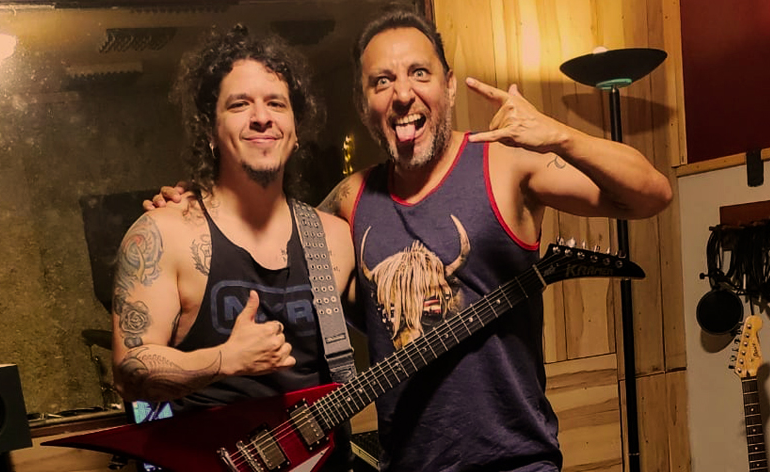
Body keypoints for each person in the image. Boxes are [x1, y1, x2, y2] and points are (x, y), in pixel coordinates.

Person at [149, 9, 673, 472]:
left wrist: (559, 135)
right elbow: (261, 232)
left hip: (517, 460)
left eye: (419, 73)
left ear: (448, 86)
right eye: (382, 81)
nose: (402, 94)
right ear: (364, 103)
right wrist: (194, 205)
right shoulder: (351, 199)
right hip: (405, 462)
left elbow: (650, 195)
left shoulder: (505, 165)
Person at [113, 24, 356, 470]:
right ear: (209, 129)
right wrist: (226, 359)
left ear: (295, 129)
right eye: (239, 104)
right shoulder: (164, 233)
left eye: (276, 103)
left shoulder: (335, 237)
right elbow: (131, 372)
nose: (261, 117)